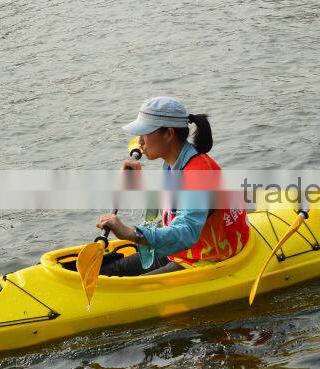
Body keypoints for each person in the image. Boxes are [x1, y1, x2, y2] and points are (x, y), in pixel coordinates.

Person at [95, 96, 249, 276]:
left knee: (116, 287)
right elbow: (165, 211)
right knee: (107, 270)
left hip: (206, 257)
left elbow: (187, 232)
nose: (140, 142)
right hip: (182, 250)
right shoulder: (174, 162)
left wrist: (130, 234)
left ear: (169, 134)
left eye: (145, 133)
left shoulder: (198, 173)